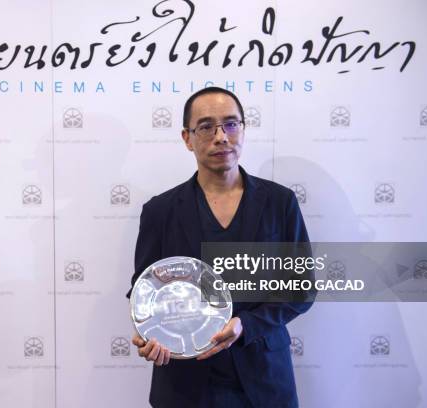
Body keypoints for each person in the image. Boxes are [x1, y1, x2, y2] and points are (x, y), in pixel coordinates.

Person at [126, 87, 313, 408]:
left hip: (264, 379)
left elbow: (301, 289)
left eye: (230, 124)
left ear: (243, 129)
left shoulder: (279, 202)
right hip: (185, 382)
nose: (220, 136)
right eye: (206, 127)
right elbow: (144, 288)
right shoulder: (160, 210)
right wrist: (148, 333)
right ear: (187, 138)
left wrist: (247, 325)